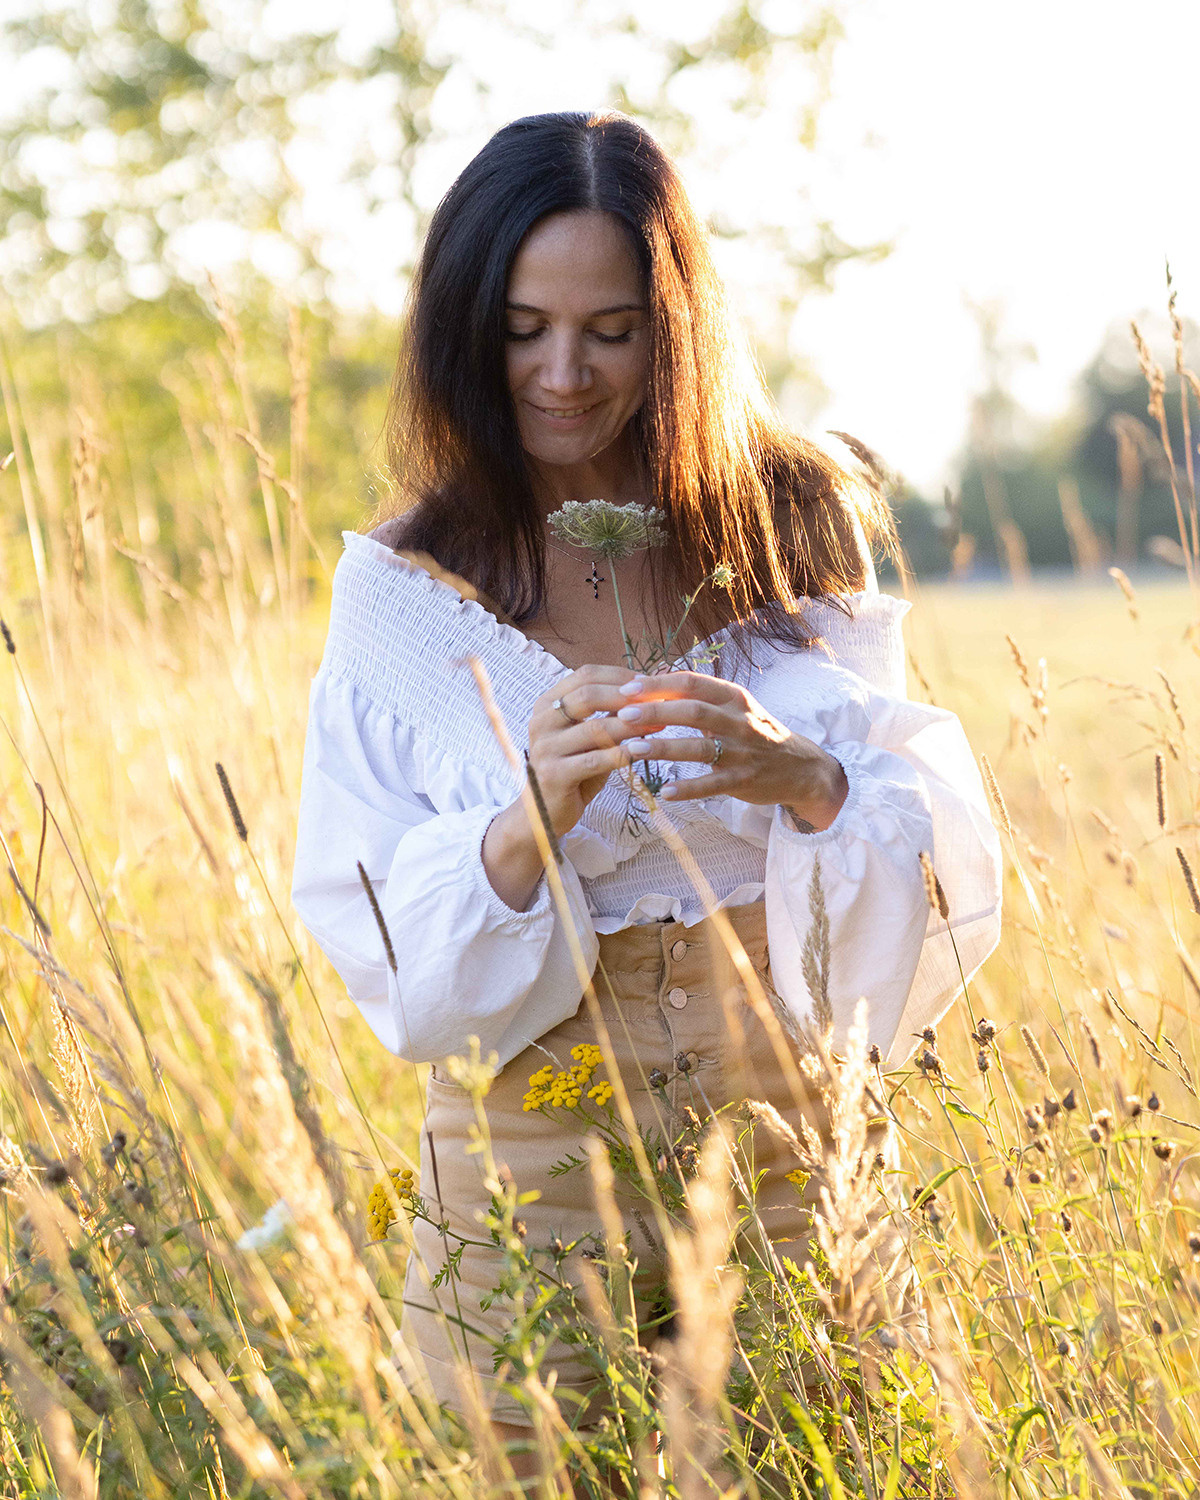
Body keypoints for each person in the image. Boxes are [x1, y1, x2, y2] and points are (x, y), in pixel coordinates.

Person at [291, 109, 1002, 1475]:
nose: (563, 374)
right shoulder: (406, 582)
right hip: (523, 1171)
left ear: (674, 327)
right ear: (464, 326)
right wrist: (528, 821)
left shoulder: (791, 516)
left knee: (816, 1455)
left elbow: (930, 865)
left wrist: (804, 779)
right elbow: (387, 962)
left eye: (611, 331)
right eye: (521, 328)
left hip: (784, 1147)